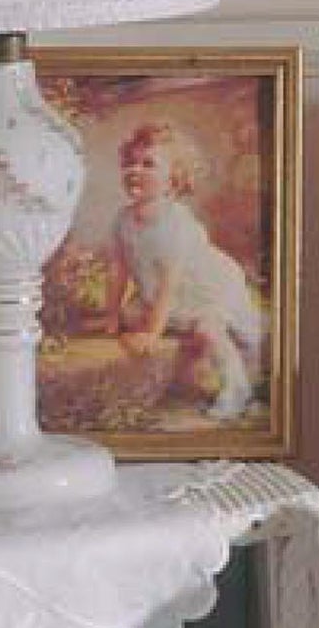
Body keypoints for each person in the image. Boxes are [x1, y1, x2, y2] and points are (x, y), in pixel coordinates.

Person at [106, 121, 264, 424]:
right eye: (130, 163)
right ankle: (168, 330)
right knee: (129, 316)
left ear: (173, 181)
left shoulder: (176, 223)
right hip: (159, 294)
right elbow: (120, 268)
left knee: (207, 329)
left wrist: (152, 333)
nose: (134, 170)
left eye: (148, 164)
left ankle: (237, 387)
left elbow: (170, 282)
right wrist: (112, 313)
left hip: (203, 288)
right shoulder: (123, 219)